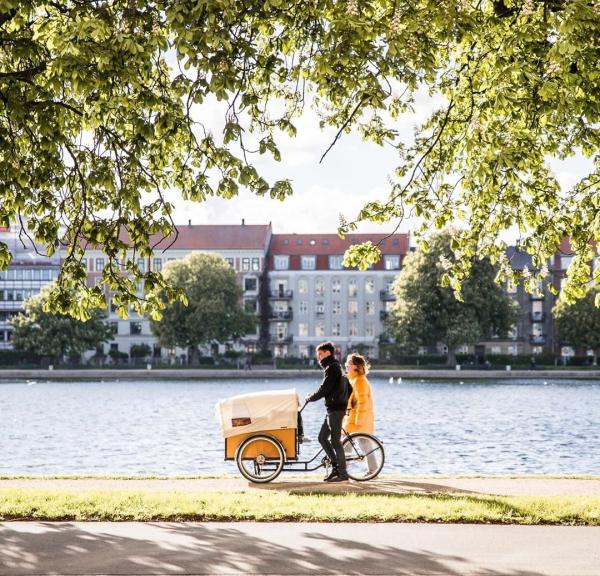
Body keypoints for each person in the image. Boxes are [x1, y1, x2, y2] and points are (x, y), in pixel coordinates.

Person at [305, 341, 350, 482]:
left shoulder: (332, 368)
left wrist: (310, 398)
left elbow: (324, 388)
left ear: (327, 353)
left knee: (336, 441)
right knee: (322, 438)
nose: (318, 357)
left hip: (335, 410)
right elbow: (349, 388)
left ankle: (343, 474)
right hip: (333, 409)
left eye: (320, 354)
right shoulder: (335, 366)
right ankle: (335, 468)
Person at [343, 353, 377, 475]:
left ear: (356, 366)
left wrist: (359, 421)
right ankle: (344, 469)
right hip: (354, 419)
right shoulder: (355, 380)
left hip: (359, 420)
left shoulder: (359, 381)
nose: (346, 365)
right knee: (356, 444)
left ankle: (344, 470)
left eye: (349, 363)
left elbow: (363, 403)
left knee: (361, 444)